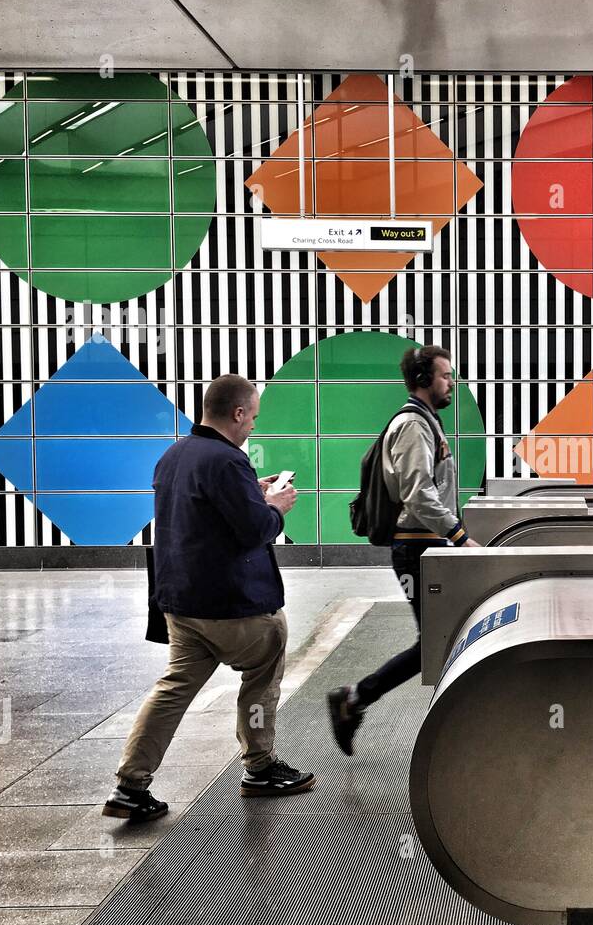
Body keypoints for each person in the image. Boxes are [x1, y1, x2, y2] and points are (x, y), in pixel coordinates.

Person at [103, 374, 313, 822]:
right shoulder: (227, 461)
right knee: (262, 672)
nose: (253, 426)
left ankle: (130, 784)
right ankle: (259, 766)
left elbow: (204, 514)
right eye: (252, 417)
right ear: (238, 413)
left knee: (173, 689)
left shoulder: (174, 456)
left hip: (180, 604)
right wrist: (274, 507)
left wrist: (254, 494)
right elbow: (254, 531)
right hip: (231, 604)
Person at [327, 346, 480, 755]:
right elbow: (418, 494)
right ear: (424, 379)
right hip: (416, 549)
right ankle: (354, 698)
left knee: (442, 638)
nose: (452, 382)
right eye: (446, 375)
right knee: (436, 640)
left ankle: (359, 699)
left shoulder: (426, 421)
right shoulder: (413, 425)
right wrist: (461, 536)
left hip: (428, 545)